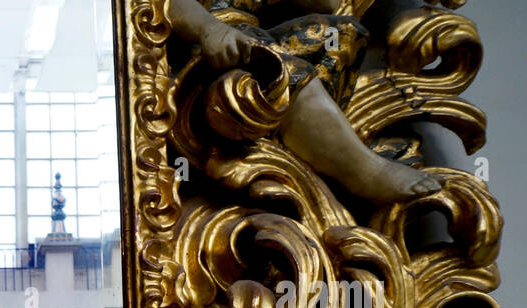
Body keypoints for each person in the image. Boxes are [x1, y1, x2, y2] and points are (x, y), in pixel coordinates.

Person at [167, 0, 442, 203]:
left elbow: (328, 4)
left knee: (344, 33)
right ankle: (364, 170)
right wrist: (208, 29)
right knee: (282, 70)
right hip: (201, 53)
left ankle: (322, 142)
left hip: (250, 38)